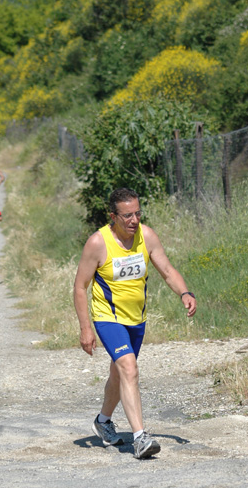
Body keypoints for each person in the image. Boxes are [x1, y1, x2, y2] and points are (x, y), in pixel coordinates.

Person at [73, 188, 197, 459]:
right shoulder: (98, 243)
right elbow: (80, 287)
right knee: (129, 368)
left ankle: (103, 421)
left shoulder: (147, 236)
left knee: (120, 374)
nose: (134, 220)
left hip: (136, 320)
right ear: (113, 217)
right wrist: (86, 328)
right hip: (108, 318)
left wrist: (185, 293)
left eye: (138, 213)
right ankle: (141, 438)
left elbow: (167, 270)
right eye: (127, 215)